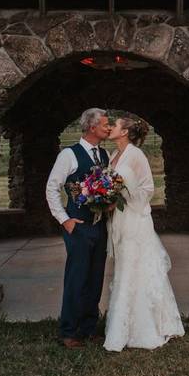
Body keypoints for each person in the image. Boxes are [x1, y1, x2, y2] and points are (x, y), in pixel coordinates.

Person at [103, 113, 184, 352]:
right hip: (118, 218)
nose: (111, 128)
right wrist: (106, 200)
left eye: (115, 125)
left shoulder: (136, 155)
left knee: (135, 268)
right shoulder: (113, 155)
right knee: (123, 267)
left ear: (125, 131)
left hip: (135, 219)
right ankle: (121, 325)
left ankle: (143, 327)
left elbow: (147, 188)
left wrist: (122, 197)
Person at [45, 107, 112, 348]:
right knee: (77, 279)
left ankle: (89, 328)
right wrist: (65, 220)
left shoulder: (103, 155)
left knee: (95, 279)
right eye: (105, 124)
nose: (108, 127)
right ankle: (69, 331)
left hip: (99, 226)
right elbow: (52, 188)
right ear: (92, 127)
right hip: (79, 226)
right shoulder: (69, 155)